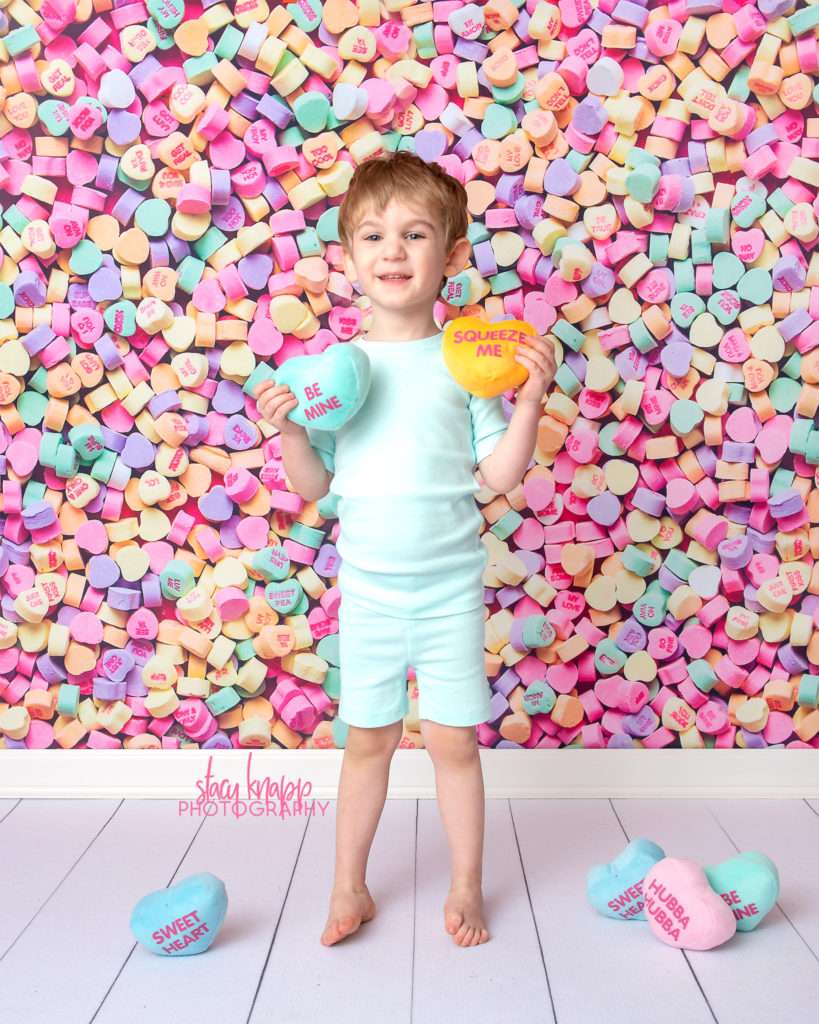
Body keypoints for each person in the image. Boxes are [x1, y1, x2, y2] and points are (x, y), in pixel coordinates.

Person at [254, 151, 557, 949]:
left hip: (451, 588)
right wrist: (288, 428)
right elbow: (314, 484)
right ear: (348, 257)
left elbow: (499, 472)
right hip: (371, 593)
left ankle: (464, 885)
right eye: (373, 235)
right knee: (368, 740)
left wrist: (525, 401)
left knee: (454, 742)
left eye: (415, 234)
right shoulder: (337, 376)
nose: (393, 251)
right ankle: (348, 886)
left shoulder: (464, 362)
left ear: (452, 256)